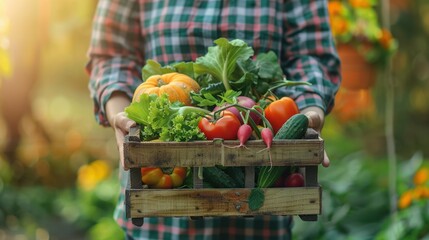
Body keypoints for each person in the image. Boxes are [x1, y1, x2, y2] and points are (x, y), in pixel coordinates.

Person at [86, 0, 341, 239]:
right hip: (158, 218)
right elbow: (112, 54)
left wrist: (309, 111)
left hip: (262, 219)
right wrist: (120, 113)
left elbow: (311, 54)